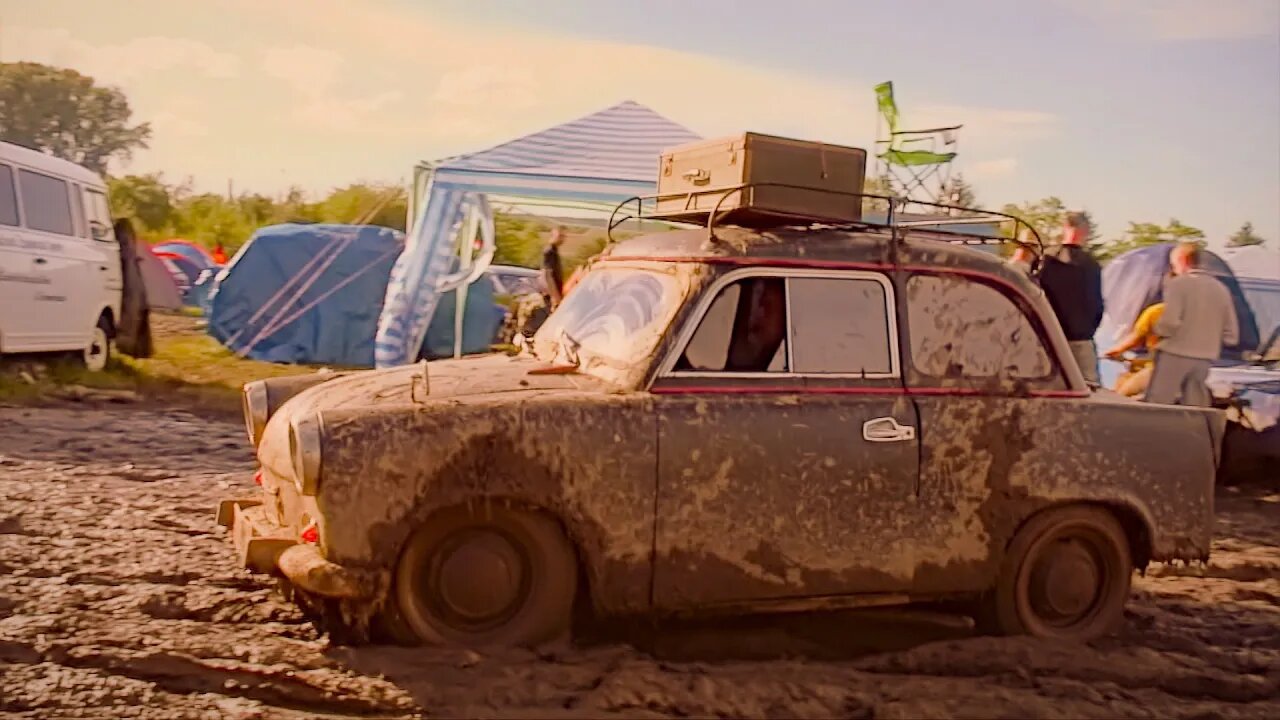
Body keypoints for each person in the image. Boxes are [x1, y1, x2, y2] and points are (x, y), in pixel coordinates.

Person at [1144, 242, 1239, 406]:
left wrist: (1157, 330)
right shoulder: (1221, 289)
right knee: (1195, 404)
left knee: (1159, 402)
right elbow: (1232, 336)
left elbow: (1170, 323)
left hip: (1175, 353)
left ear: (1182, 260)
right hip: (1205, 356)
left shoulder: (1179, 284)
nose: (1173, 269)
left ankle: (1154, 431)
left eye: (1173, 264)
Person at [1038, 212, 1104, 384]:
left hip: (1046, 337)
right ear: (1086, 231)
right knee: (1089, 389)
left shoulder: (1045, 259)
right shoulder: (1091, 265)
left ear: (1064, 227)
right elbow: (1096, 305)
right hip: (1080, 338)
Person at [1103, 300, 1165, 397]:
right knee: (1121, 382)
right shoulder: (1155, 311)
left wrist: (1119, 350)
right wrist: (1117, 351)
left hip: (1157, 369)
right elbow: (1136, 337)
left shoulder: (1158, 311)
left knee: (1121, 396)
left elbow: (1135, 339)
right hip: (1150, 365)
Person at [542, 226, 566, 310]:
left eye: (563, 236)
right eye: (560, 236)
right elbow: (547, 275)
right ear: (552, 236)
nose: (562, 239)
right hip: (552, 297)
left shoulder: (554, 251)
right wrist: (555, 297)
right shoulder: (549, 251)